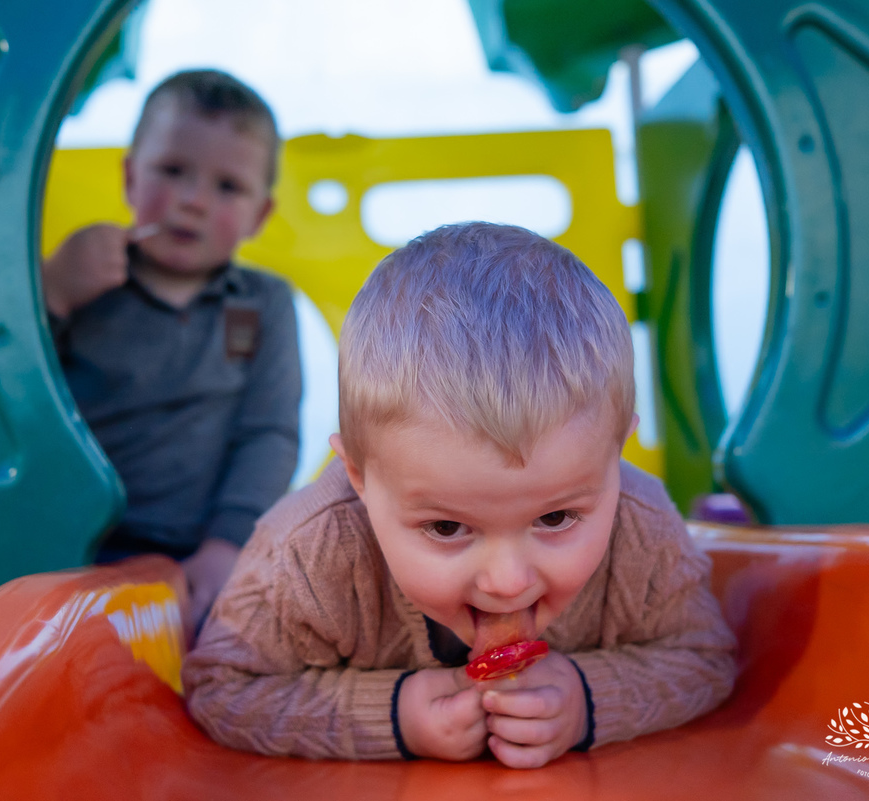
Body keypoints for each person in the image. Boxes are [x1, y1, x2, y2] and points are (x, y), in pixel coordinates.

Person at [183, 222, 735, 768]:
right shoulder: (308, 552)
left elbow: (704, 657)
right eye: (446, 528)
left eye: (557, 517)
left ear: (615, 454)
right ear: (359, 476)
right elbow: (222, 686)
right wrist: (396, 717)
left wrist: (587, 699)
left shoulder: (641, 528)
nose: (507, 581)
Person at [42, 70, 300, 640]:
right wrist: (53, 290)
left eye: (227, 187)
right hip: (69, 552)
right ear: (131, 177)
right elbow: (12, 397)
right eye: (172, 171)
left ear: (259, 215)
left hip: (200, 558)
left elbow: (269, 433)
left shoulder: (264, 305)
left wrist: (226, 545)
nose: (192, 201)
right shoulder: (82, 276)